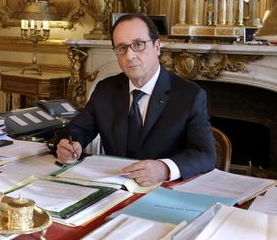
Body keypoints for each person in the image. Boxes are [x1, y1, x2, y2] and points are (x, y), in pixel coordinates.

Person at [54, 13, 216, 186]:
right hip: (114, 186)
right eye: (122, 48)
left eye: (138, 45)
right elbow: (77, 129)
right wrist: (69, 144)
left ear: (157, 46)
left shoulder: (189, 95)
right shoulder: (106, 89)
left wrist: (164, 169)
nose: (129, 56)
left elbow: (205, 154)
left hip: (163, 190)